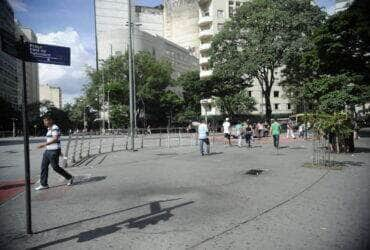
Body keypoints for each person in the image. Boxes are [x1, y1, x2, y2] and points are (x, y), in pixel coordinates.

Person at [35, 114, 74, 191]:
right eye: (44, 121)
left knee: (55, 167)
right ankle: (44, 184)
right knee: (44, 167)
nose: (44, 122)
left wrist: (44, 145)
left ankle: (69, 177)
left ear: (50, 120)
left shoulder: (55, 128)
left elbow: (56, 139)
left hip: (53, 151)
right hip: (48, 151)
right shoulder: (49, 129)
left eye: (46, 121)